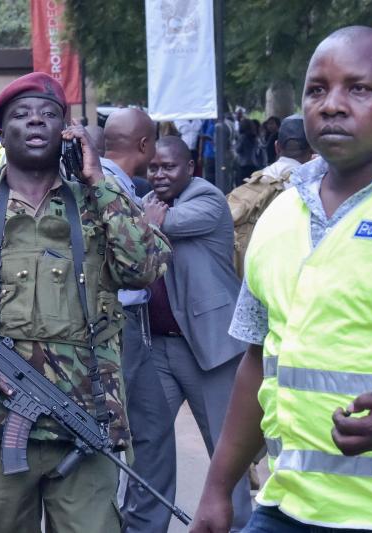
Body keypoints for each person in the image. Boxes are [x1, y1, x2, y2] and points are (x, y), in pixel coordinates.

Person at [0, 72, 171, 533]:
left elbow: (144, 269)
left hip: (86, 422)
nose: (35, 121)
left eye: (48, 114)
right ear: (2, 133)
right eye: (20, 115)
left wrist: (99, 180)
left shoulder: (100, 202)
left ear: (67, 130)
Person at [191, 26, 372, 533]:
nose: (332, 105)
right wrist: (216, 487)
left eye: (358, 89)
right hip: (288, 507)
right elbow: (258, 359)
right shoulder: (279, 214)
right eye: (317, 90)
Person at [132, 136, 252, 532]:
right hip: (160, 346)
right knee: (147, 443)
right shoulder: (150, 201)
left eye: (169, 167)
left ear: (190, 168)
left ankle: (236, 526)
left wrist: (144, 218)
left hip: (209, 347)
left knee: (225, 447)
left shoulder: (208, 199)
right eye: (154, 167)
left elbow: (164, 225)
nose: (159, 174)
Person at [97, 110, 177, 532]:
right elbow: (136, 266)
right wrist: (153, 230)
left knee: (146, 430)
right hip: (117, 321)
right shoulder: (109, 187)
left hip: (117, 322)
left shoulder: (103, 181)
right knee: (137, 432)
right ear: (145, 146)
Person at [227, 114, 314, 278]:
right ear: (313, 149)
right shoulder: (314, 189)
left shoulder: (257, 179)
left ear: (276, 147)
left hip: (247, 272)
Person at [233, 119, 265, 186]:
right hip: (254, 165)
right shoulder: (255, 137)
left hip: (243, 165)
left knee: (241, 186)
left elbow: (237, 149)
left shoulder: (242, 137)